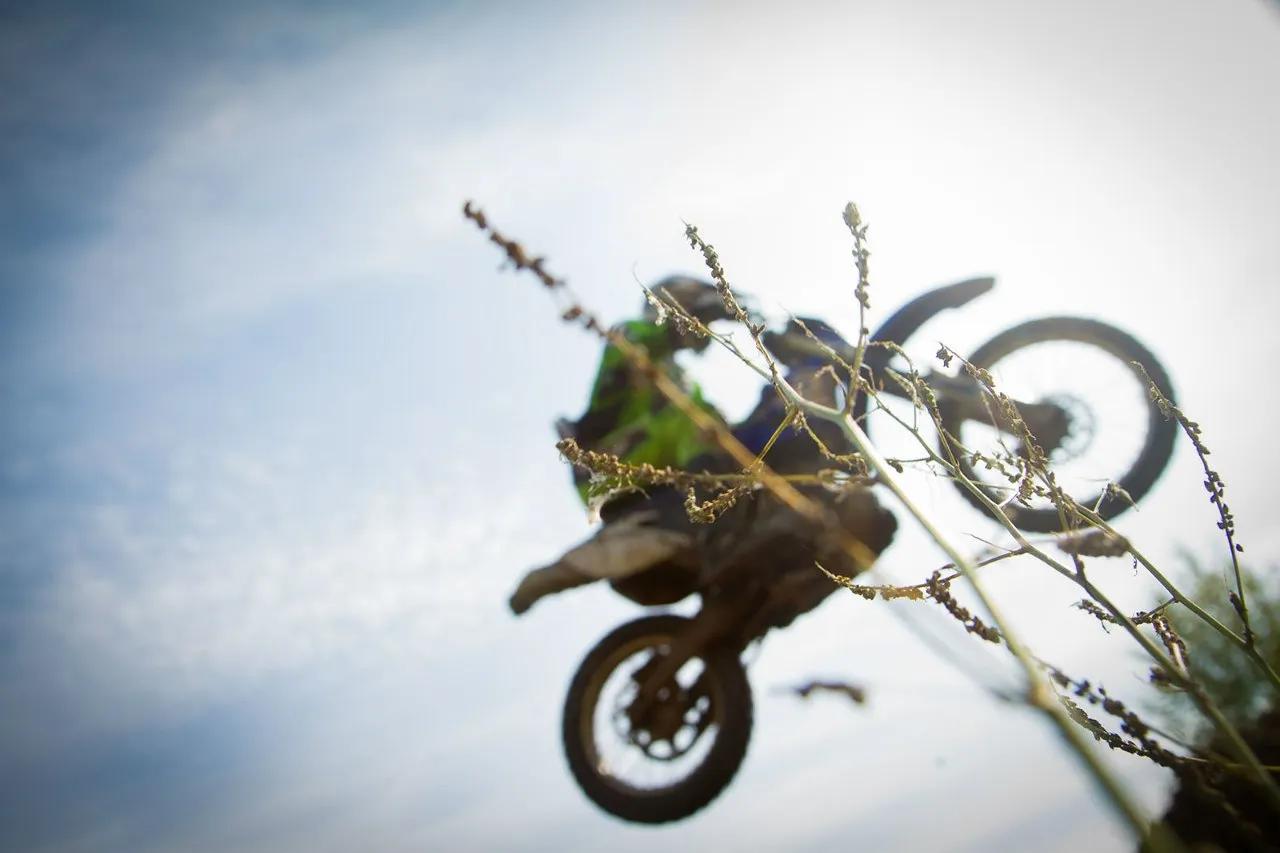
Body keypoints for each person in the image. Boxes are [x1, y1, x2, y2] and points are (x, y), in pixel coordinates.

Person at [508, 276, 737, 615]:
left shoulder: (683, 381)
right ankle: (697, 504)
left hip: (661, 476)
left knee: (717, 428)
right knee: (697, 424)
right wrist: (681, 327)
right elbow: (635, 344)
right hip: (608, 463)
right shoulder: (632, 336)